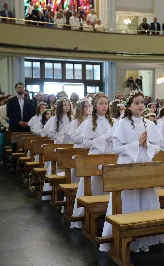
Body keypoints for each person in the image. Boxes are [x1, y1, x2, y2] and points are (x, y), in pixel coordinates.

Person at [100, 90, 164, 253]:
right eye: (136, 102)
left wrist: (148, 146)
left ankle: (145, 239)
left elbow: (158, 147)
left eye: (142, 102)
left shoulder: (150, 124)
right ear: (129, 106)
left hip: (145, 165)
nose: (141, 105)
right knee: (130, 200)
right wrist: (136, 144)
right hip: (128, 166)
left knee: (147, 199)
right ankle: (128, 239)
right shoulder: (122, 124)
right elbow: (116, 149)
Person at [71, 94, 114, 229]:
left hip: (110, 157)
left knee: (109, 185)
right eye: (101, 104)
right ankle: (85, 214)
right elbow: (85, 142)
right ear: (95, 106)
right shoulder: (89, 122)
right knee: (93, 186)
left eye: (106, 104)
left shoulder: (113, 121)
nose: (104, 106)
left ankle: (107, 212)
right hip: (95, 157)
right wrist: (101, 140)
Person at [0, 96, 9, 170]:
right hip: (4, 125)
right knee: (1, 144)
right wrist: (8, 126)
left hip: (12, 126)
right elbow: (2, 119)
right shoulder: (1, 108)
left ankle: (10, 161)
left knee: (12, 144)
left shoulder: (15, 108)